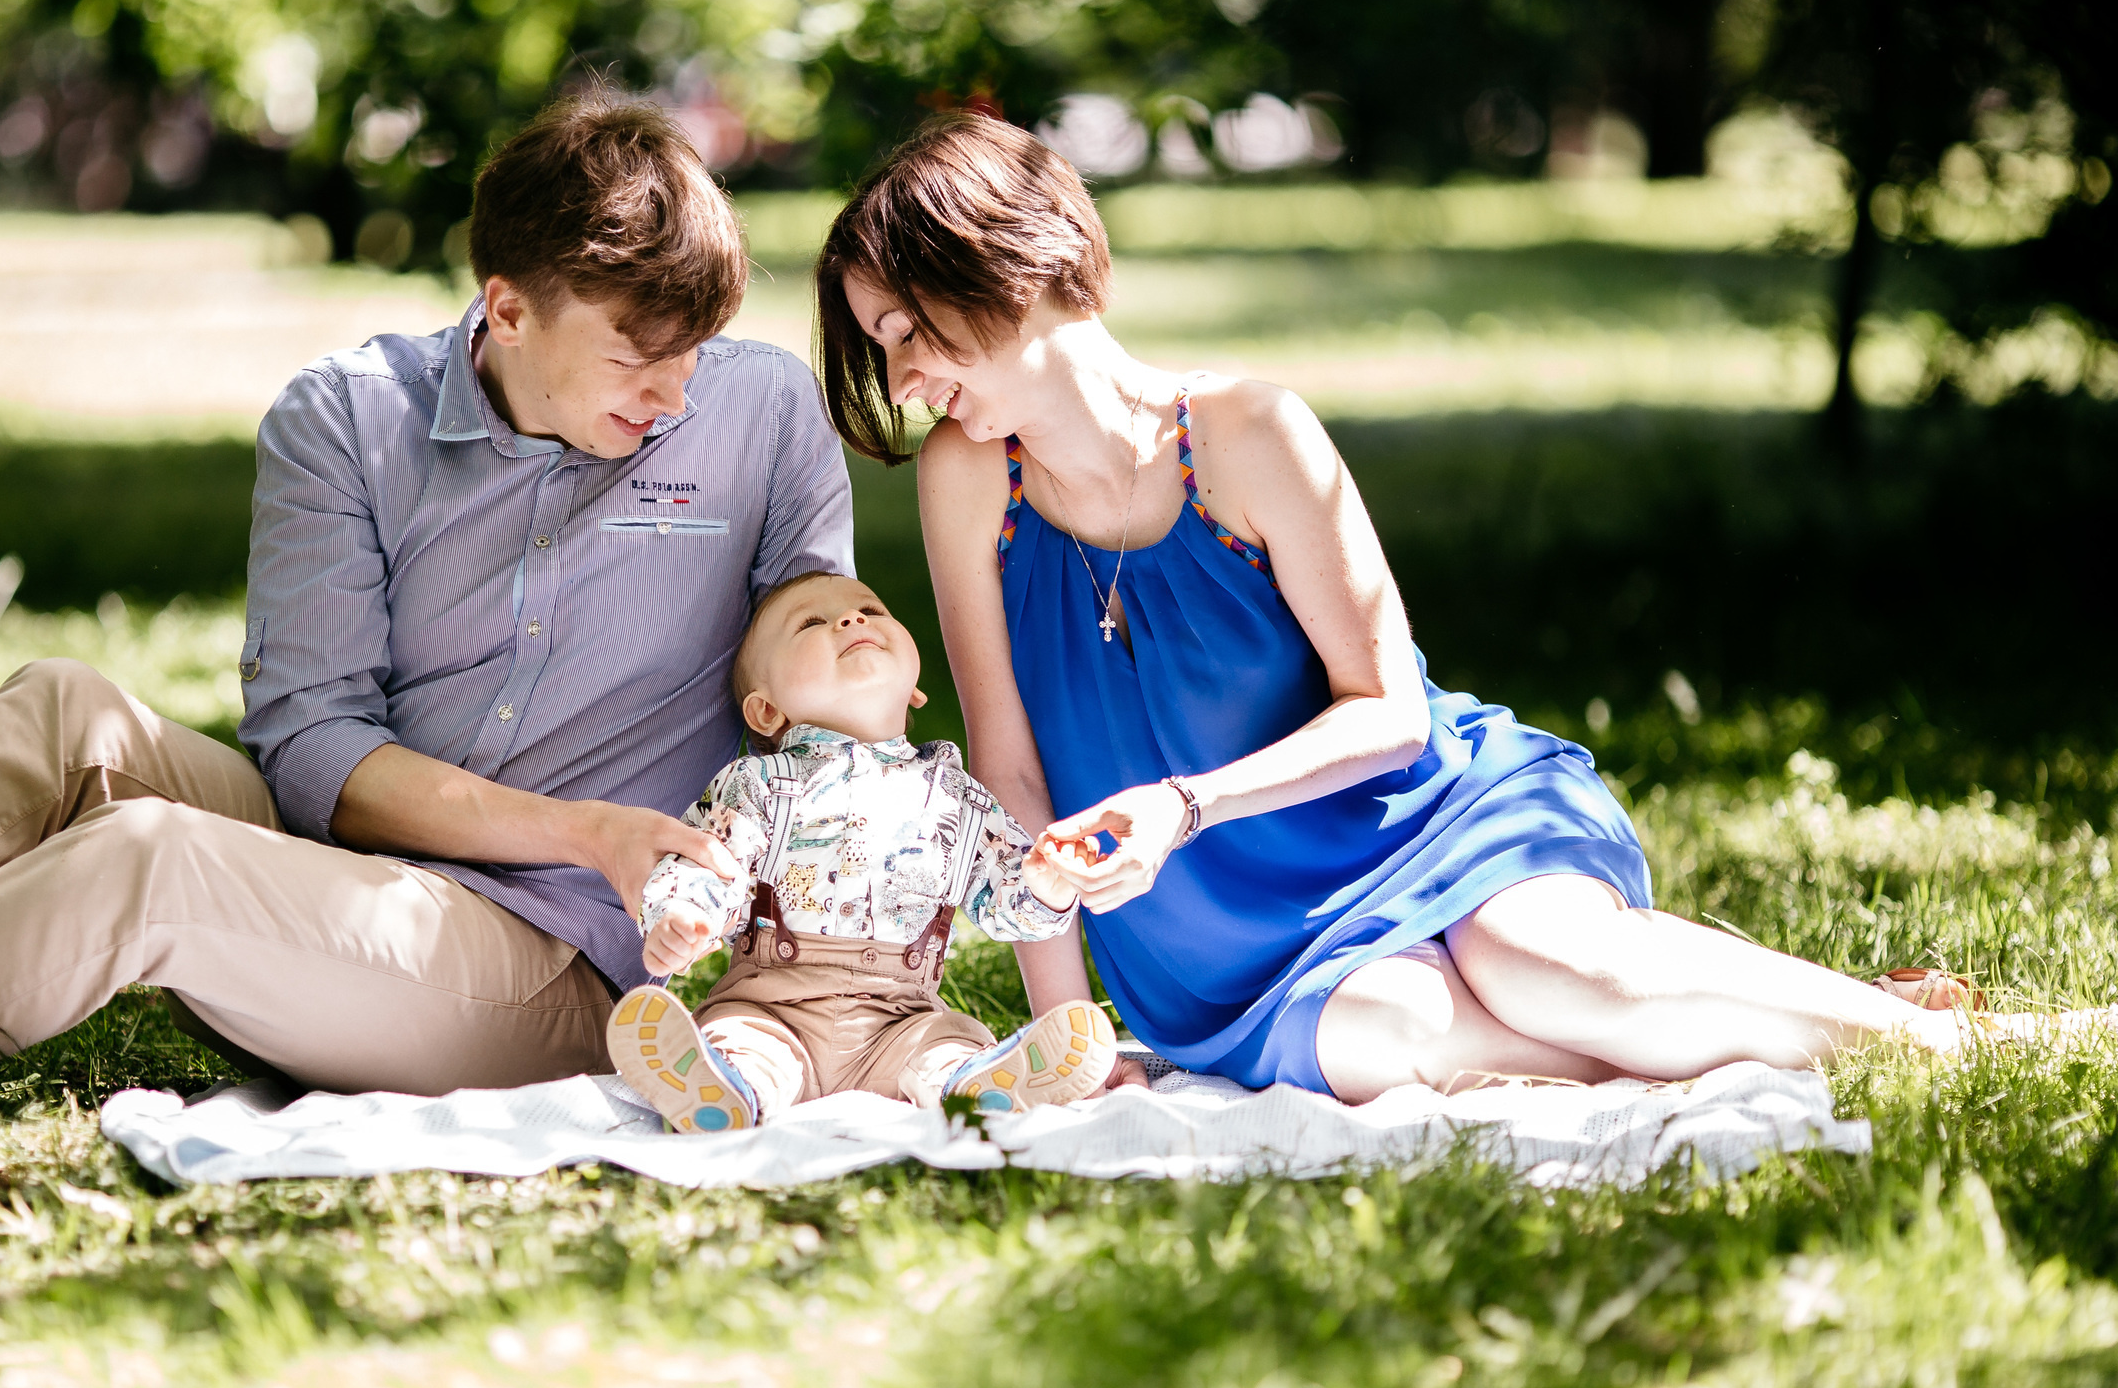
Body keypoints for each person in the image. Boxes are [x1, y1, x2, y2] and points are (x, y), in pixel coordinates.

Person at [0, 88, 851, 1133]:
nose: (678, 396)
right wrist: (581, 824)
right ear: (506, 309)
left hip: (561, 960)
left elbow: (830, 649)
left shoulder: (759, 412)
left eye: (696, 352)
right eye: (638, 357)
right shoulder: (349, 418)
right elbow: (313, 750)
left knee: (151, 857)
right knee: (64, 707)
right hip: (354, 870)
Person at [813, 111, 2056, 1104]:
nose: (904, 376)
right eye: (883, 344)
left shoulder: (1246, 435)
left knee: (1552, 970)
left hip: (1423, 820)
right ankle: (1795, 1007)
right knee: (1388, 1038)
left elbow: (1389, 714)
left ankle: (1958, 1041)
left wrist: (1182, 805)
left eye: (911, 329)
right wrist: (1066, 1038)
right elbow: (1011, 770)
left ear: (1007, 265)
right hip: (1217, 938)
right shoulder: (969, 476)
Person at [607, 570, 1116, 1132]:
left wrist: (1046, 884)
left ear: (913, 688)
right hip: (772, 1006)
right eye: (811, 623)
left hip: (901, 1019)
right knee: (743, 1041)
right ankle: (729, 1089)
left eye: (870, 611)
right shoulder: (758, 785)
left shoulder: (957, 797)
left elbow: (1006, 903)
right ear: (767, 712)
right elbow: (706, 863)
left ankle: (973, 1086)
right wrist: (682, 916)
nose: (851, 619)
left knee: (947, 1042)